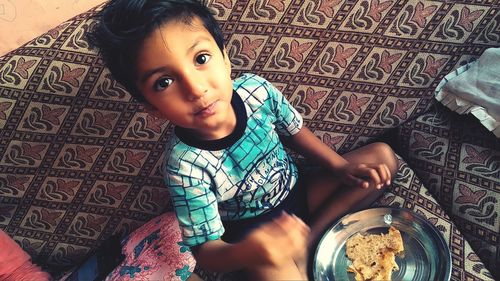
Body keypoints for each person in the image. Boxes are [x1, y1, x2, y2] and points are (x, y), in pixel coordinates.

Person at [88, 0, 398, 279]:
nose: (195, 88)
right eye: (164, 82)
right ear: (153, 109)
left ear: (225, 58)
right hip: (255, 237)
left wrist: (339, 166)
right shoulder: (183, 166)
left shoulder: (256, 91)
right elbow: (206, 253)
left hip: (301, 191)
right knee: (275, 272)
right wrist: (251, 251)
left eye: (201, 58)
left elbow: (294, 131)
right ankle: (290, 256)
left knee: (382, 158)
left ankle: (311, 240)